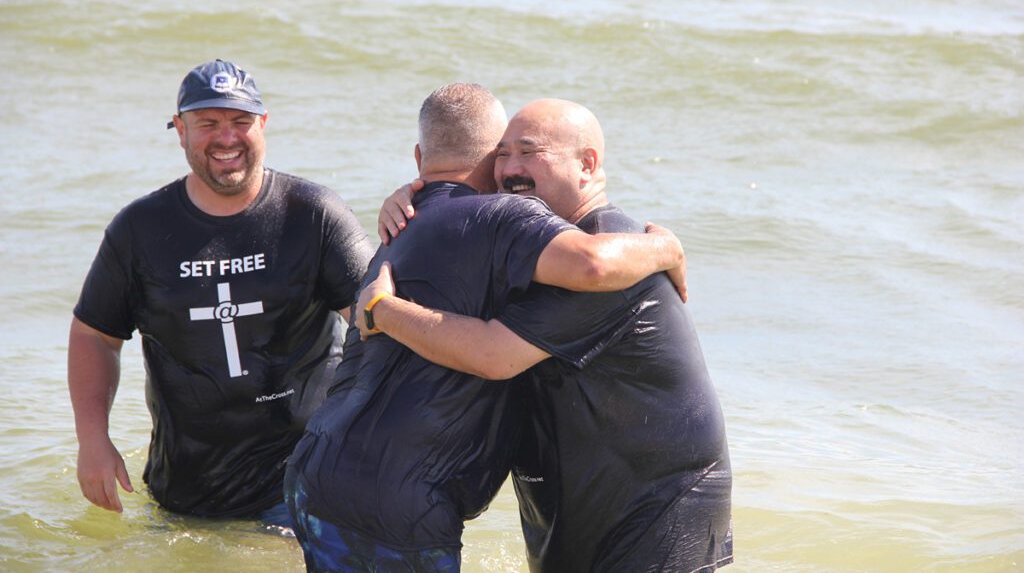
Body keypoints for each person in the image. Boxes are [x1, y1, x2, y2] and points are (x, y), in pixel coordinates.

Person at [284, 84, 687, 571]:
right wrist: (668, 248)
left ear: (419, 158)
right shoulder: (505, 216)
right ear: (494, 157)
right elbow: (593, 265)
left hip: (315, 472)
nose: (512, 169)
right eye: (507, 153)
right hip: (396, 499)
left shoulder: (402, 229)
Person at [68, 59, 374, 525]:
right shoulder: (140, 230)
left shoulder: (314, 215)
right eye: (208, 123)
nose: (226, 138)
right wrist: (93, 441)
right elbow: (95, 335)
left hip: (307, 478)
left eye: (240, 122)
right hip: (186, 486)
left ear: (264, 125)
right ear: (180, 131)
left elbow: (378, 321)